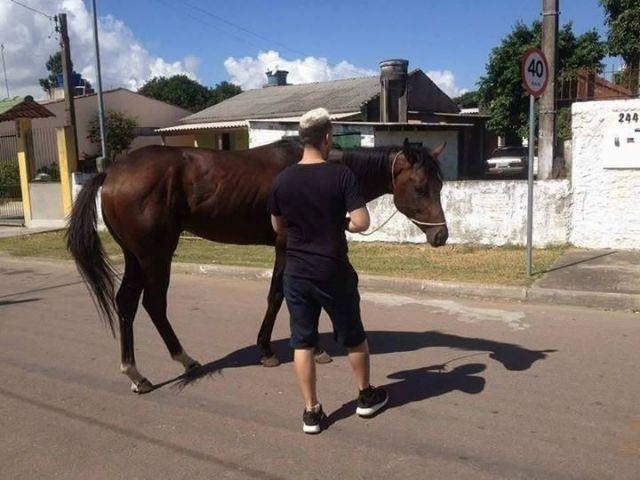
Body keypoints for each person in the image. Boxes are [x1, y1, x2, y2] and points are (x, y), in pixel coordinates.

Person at [268, 107, 388, 434]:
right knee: (354, 338)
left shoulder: (282, 179)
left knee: (303, 343)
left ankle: (311, 413)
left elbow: (277, 224)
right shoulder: (341, 175)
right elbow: (362, 221)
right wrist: (345, 222)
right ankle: (365, 397)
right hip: (333, 270)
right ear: (325, 138)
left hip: (296, 273)